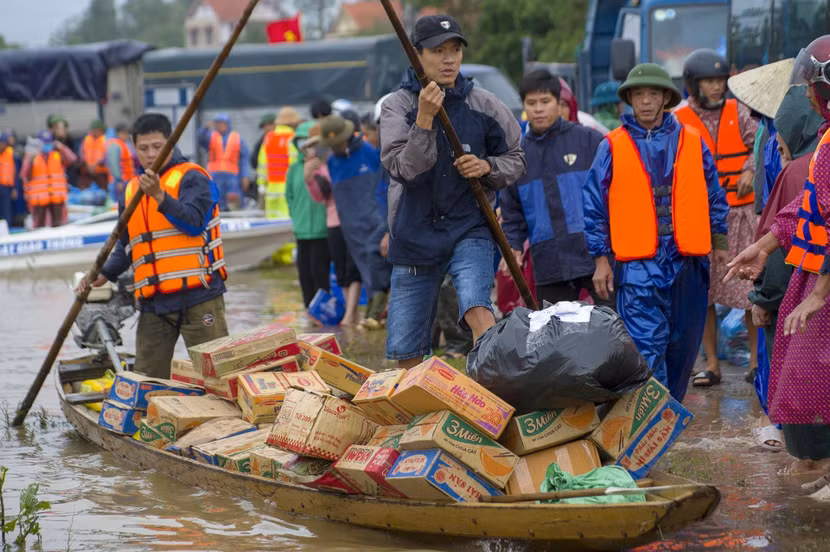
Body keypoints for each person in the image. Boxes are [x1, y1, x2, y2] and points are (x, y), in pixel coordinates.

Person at [380, 14, 525, 368]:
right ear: (417, 56)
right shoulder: (396, 106)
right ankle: (423, 415)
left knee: (478, 307)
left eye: (455, 50)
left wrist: (487, 167)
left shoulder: (485, 103)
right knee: (406, 351)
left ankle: (494, 393)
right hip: (414, 230)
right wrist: (425, 120)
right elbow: (405, 169)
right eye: (438, 51)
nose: (449, 59)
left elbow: (517, 159)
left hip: (469, 226)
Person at [583, 63, 729, 402]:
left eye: (653, 94)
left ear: (666, 98)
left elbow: (713, 193)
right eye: (638, 94)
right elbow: (593, 205)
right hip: (637, 267)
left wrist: (719, 241)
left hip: (687, 263)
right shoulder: (612, 145)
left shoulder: (693, 140)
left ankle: (666, 416)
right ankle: (653, 418)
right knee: (647, 347)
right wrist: (600, 259)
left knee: (682, 346)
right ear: (630, 99)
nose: (646, 101)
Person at [726, 36, 830, 483]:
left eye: (814, 88)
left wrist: (818, 296)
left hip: (821, 287)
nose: (808, 96)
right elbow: (805, 208)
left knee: (810, 380)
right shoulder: (825, 145)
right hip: (813, 280)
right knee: (805, 382)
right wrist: (763, 245)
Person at [79, 113, 229, 379]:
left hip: (199, 296)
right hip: (155, 303)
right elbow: (127, 244)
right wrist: (104, 274)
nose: (150, 154)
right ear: (134, 149)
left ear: (170, 144)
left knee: (215, 375)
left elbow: (194, 223)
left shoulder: (193, 178)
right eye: (143, 148)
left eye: (157, 147)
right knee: (147, 378)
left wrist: (160, 196)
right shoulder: (131, 190)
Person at [673, 49, 760, 387]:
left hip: (740, 216)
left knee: (750, 289)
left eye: (720, 80)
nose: (716, 87)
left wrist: (750, 168)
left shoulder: (738, 112)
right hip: (702, 217)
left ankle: (755, 362)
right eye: (708, 81)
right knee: (704, 293)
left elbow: (759, 143)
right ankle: (711, 364)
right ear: (693, 84)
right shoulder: (678, 119)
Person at [747, 86, 822, 450]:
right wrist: (763, 245)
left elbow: (785, 249)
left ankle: (813, 460)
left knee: (803, 386)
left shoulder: (797, 168)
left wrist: (763, 298)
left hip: (804, 295)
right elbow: (798, 215)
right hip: (809, 289)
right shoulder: (820, 151)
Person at [501, 69, 609, 307]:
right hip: (548, 263)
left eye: (545, 101)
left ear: (559, 103)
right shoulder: (519, 155)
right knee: (556, 338)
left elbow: (610, 196)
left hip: (594, 258)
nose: (538, 109)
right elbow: (511, 211)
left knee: (611, 333)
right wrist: (514, 246)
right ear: (524, 106)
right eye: (532, 103)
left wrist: (607, 254)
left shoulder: (589, 140)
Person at [322, 114, 391, 329]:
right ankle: (375, 314)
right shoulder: (332, 161)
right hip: (351, 227)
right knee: (364, 269)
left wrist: (384, 221)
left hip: (376, 221)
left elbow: (383, 186)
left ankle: (382, 312)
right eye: (331, 145)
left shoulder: (369, 153)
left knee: (382, 265)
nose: (335, 148)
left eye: (337, 143)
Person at [304, 124, 363, 326]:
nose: (316, 150)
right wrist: (309, 179)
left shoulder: (339, 162)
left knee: (353, 267)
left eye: (319, 146)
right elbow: (320, 197)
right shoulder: (317, 168)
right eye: (312, 147)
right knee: (341, 270)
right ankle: (349, 311)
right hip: (333, 221)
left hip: (352, 220)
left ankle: (351, 313)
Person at [286, 122, 331, 308]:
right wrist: (296, 217)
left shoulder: (324, 165)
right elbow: (289, 196)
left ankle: (324, 311)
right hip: (301, 229)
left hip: (322, 230)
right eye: (301, 141)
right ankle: (309, 312)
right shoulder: (294, 169)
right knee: (304, 273)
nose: (306, 145)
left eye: (309, 141)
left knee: (320, 273)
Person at [199, 113, 249, 211]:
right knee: (215, 201)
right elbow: (200, 139)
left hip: (232, 178)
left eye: (222, 123)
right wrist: (204, 129)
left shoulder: (237, 138)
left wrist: (245, 176)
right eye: (217, 123)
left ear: (227, 124)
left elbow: (244, 158)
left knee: (233, 203)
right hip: (215, 176)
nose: (220, 125)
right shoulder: (211, 137)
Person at [23, 131, 73, 228]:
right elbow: (25, 175)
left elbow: (72, 159)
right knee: (39, 225)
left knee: (58, 223)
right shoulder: (33, 156)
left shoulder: (57, 154)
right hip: (39, 197)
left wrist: (62, 147)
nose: (47, 145)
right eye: (45, 143)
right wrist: (29, 160)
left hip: (56, 196)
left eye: (49, 142)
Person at [261, 107, 303, 219]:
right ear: (293, 123)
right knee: (286, 222)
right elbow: (295, 165)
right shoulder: (293, 138)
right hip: (287, 188)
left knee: (271, 222)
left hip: (271, 189)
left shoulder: (268, 138)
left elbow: (262, 164)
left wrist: (261, 185)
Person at [249, 112, 276, 207]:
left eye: (270, 124)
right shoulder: (260, 143)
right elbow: (253, 162)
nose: (268, 128)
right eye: (265, 125)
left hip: (277, 185)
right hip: (264, 186)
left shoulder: (281, 141)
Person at [106, 123, 137, 203]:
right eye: (125, 133)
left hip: (127, 180)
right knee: (118, 203)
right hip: (119, 182)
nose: (127, 136)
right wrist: (118, 180)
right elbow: (114, 164)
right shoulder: (115, 145)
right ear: (119, 133)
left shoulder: (124, 144)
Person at [80, 120, 110, 190]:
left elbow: (107, 156)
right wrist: (87, 165)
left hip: (102, 172)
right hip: (88, 172)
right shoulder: (87, 139)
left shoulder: (105, 139)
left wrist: (96, 164)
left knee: (104, 192)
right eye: (94, 129)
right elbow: (81, 153)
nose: (96, 132)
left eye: (98, 130)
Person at [0, 133, 14, 227]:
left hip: (6, 186)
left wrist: (14, 188)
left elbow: (14, 171)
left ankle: (8, 227)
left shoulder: (9, 153)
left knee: (6, 209)